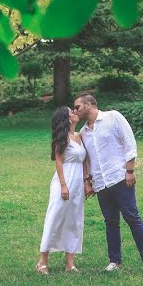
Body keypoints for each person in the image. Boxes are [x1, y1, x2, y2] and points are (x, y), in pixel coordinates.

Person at [75, 93, 143, 276]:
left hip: (120, 177)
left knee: (133, 218)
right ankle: (114, 261)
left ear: (89, 104)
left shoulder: (113, 117)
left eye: (78, 107)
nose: (75, 111)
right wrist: (88, 181)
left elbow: (129, 143)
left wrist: (130, 171)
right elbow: (86, 159)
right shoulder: (83, 132)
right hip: (100, 183)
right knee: (110, 222)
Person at [36, 106, 94, 274]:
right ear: (67, 119)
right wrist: (63, 185)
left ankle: (70, 264)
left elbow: (83, 162)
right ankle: (42, 262)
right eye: (72, 112)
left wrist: (86, 182)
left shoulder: (79, 136)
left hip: (77, 184)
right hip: (64, 181)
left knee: (74, 221)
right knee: (55, 218)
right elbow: (59, 162)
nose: (76, 113)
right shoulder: (62, 138)